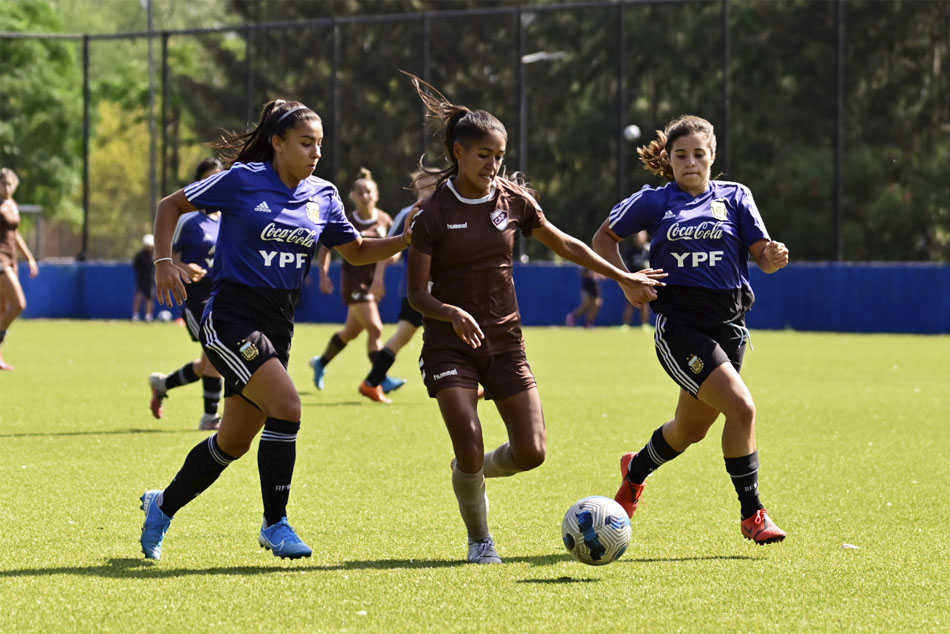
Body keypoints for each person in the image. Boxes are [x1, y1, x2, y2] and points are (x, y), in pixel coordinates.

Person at [403, 73, 666, 564]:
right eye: (484, 155)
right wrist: (451, 312)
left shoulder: (514, 201)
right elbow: (416, 293)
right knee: (469, 440)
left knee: (532, 453)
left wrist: (623, 276)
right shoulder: (431, 213)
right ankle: (480, 539)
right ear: (458, 151)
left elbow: (565, 243)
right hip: (448, 344)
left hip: (505, 343)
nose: (493, 164)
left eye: (500, 156)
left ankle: (471, 472)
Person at [139, 99, 414, 561]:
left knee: (233, 442)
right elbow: (171, 205)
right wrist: (164, 262)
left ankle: (161, 506)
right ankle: (275, 523)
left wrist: (406, 239)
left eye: (320, 145)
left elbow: (358, 250)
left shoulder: (323, 195)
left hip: (278, 324)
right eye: (306, 143)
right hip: (231, 316)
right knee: (288, 406)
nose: (315, 153)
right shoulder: (243, 180)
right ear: (278, 142)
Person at [591, 114, 790, 545]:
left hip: (730, 328)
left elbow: (762, 255)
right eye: (681, 155)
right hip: (679, 327)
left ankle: (635, 472)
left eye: (699, 154)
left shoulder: (736, 197)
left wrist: (772, 257)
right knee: (743, 409)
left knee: (689, 431)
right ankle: (753, 514)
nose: (690, 162)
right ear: (669, 158)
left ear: (712, 156)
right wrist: (627, 280)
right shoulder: (655, 201)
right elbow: (603, 239)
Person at [308, 168, 404, 403]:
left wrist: (391, 258)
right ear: (352, 196)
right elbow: (325, 248)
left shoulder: (384, 219)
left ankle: (321, 362)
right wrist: (323, 275)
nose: (365, 196)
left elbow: (395, 251)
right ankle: (380, 378)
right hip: (354, 282)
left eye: (369, 192)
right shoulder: (347, 220)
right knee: (376, 329)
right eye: (360, 192)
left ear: (377, 195)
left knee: (351, 332)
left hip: (372, 283)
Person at [147, 157, 226, 430]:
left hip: (222, 294)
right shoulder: (191, 220)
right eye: (209, 178)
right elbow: (168, 257)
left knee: (207, 362)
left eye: (220, 178)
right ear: (198, 184)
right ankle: (210, 418)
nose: (215, 183)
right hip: (195, 297)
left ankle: (162, 384)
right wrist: (183, 267)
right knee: (217, 353)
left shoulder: (228, 217)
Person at [357, 169, 438, 401]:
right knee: (405, 336)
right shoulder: (408, 213)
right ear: (417, 188)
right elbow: (388, 249)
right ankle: (372, 382)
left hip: (440, 288)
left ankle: (372, 382)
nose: (430, 190)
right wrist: (378, 279)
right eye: (425, 186)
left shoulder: (443, 212)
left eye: (434, 185)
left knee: (404, 337)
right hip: (419, 290)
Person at [0, 168, 39, 371]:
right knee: (19, 305)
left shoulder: (12, 205)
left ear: (14, 186)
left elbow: (15, 235)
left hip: (11, 259)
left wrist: (29, 257)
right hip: (0, 262)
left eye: (9, 184)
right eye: (2, 184)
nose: (6, 188)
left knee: (2, 310)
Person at [620, 231, 652, 329]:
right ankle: (626, 324)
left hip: (645, 279)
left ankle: (644, 324)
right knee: (630, 302)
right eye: (638, 237)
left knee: (645, 303)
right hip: (633, 280)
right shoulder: (631, 250)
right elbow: (624, 263)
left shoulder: (648, 249)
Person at [132, 234, 156, 322]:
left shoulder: (154, 255)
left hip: (150, 279)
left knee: (149, 297)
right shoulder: (140, 256)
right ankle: (135, 315)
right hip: (141, 279)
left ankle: (148, 315)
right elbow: (135, 266)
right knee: (138, 295)